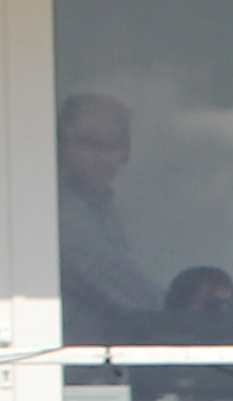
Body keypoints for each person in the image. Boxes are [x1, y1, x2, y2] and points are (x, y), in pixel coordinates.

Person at [57, 93, 158, 332]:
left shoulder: (108, 209)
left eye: (112, 145)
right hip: (68, 362)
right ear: (60, 146)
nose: (101, 157)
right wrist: (184, 311)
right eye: (88, 143)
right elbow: (127, 293)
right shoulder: (57, 215)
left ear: (125, 153)